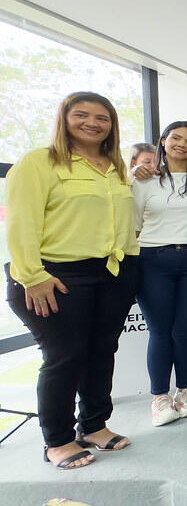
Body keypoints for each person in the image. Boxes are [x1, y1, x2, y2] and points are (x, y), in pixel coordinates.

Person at [6, 92, 139, 469]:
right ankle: (57, 439)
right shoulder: (39, 163)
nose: (92, 123)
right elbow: (21, 223)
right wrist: (32, 276)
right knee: (64, 356)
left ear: (112, 125)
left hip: (112, 272)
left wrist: (130, 268)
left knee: (102, 350)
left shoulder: (114, 167)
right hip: (57, 275)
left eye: (102, 118)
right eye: (81, 115)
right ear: (63, 119)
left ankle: (94, 425)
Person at [133, 121, 187, 426]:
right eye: (176, 138)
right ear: (163, 141)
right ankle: (160, 397)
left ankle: (186, 390)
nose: (182, 144)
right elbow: (133, 225)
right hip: (153, 261)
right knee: (160, 331)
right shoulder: (145, 180)